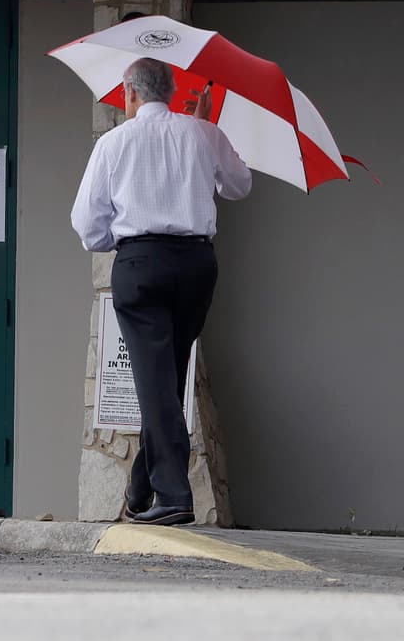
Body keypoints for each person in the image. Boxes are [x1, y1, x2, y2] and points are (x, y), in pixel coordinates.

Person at [70, 57, 252, 526]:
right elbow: (239, 187)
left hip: (142, 262)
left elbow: (87, 225)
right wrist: (206, 128)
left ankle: (174, 496)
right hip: (196, 263)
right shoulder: (202, 133)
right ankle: (139, 487)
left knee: (155, 381)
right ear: (170, 91)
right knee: (166, 377)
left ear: (129, 94)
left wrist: (121, 240)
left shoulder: (113, 142)